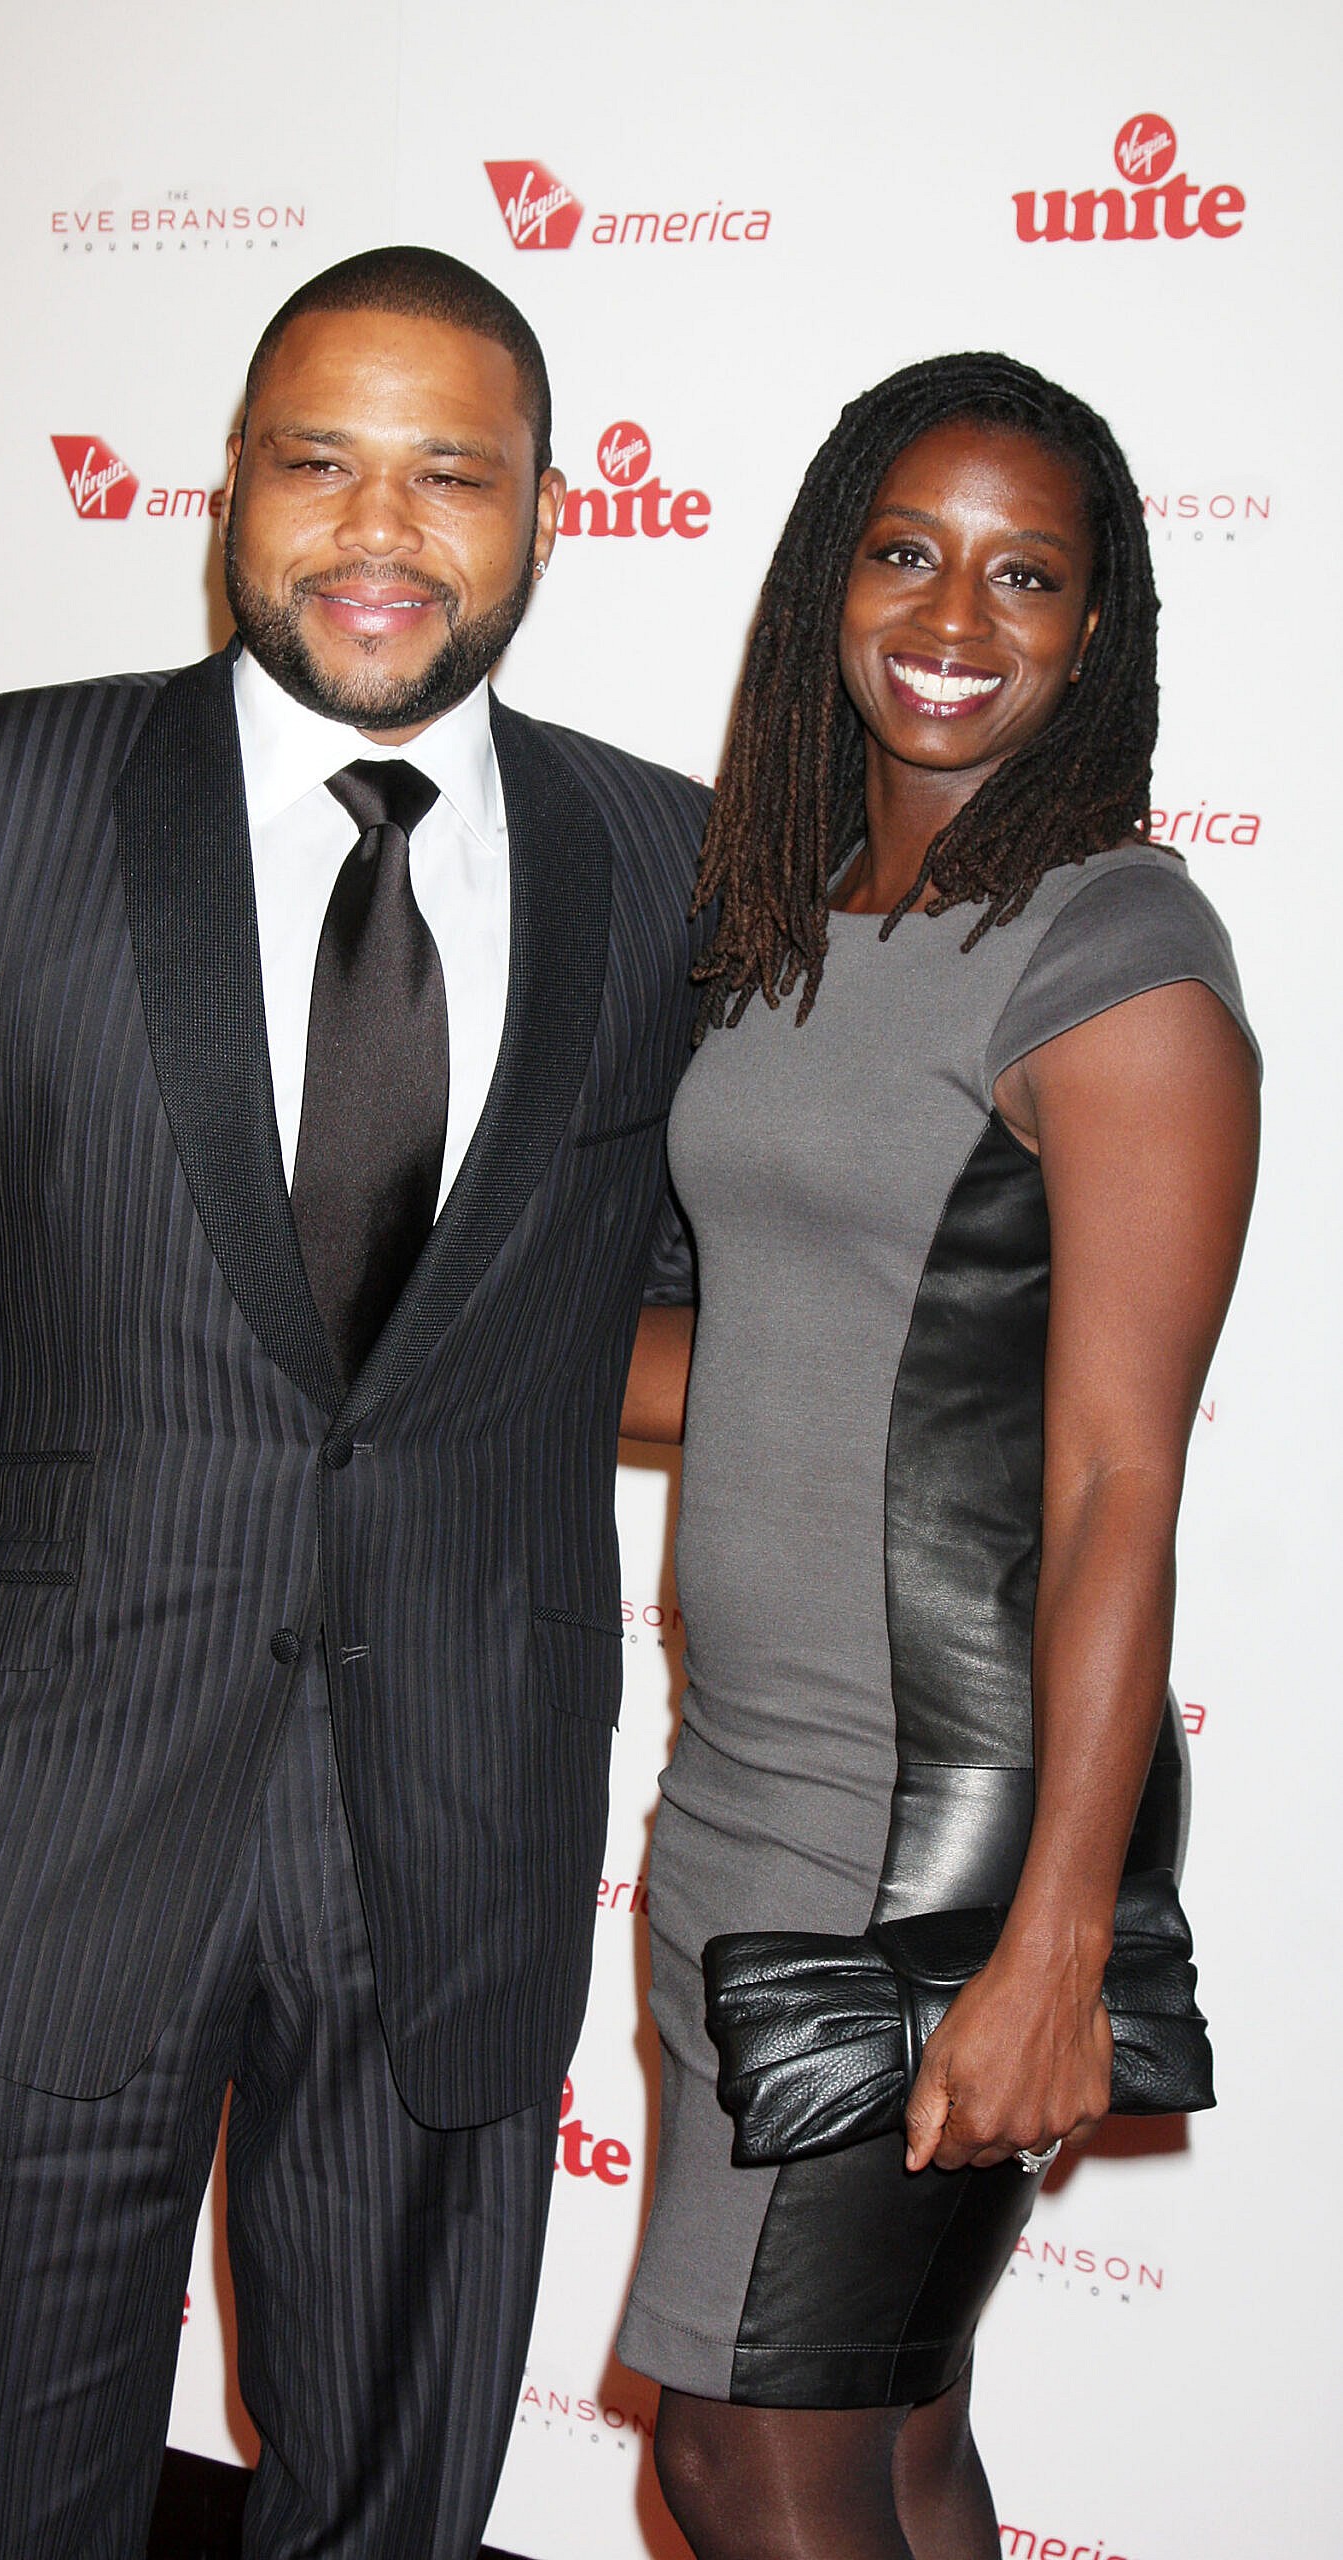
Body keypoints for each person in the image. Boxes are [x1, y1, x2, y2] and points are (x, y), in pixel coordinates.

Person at [0, 245, 707, 2560]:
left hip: (459, 1824)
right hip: (47, 1817)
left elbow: (675, 1302)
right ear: (228, 495)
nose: (382, 527)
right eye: (320, 463)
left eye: (450, 472)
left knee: (393, 2499)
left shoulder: (663, 870)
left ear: (545, 515)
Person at [614, 351, 1258, 2560]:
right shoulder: (794, 926)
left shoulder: (1109, 948)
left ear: (1096, 629)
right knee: (875, 2435)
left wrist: (1053, 1938)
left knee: (740, 2448)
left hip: (940, 1823)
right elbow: (768, 1352)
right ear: (825, 581)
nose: (953, 616)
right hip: (746, 1780)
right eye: (905, 550)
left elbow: (1110, 1476)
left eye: (1025, 575)